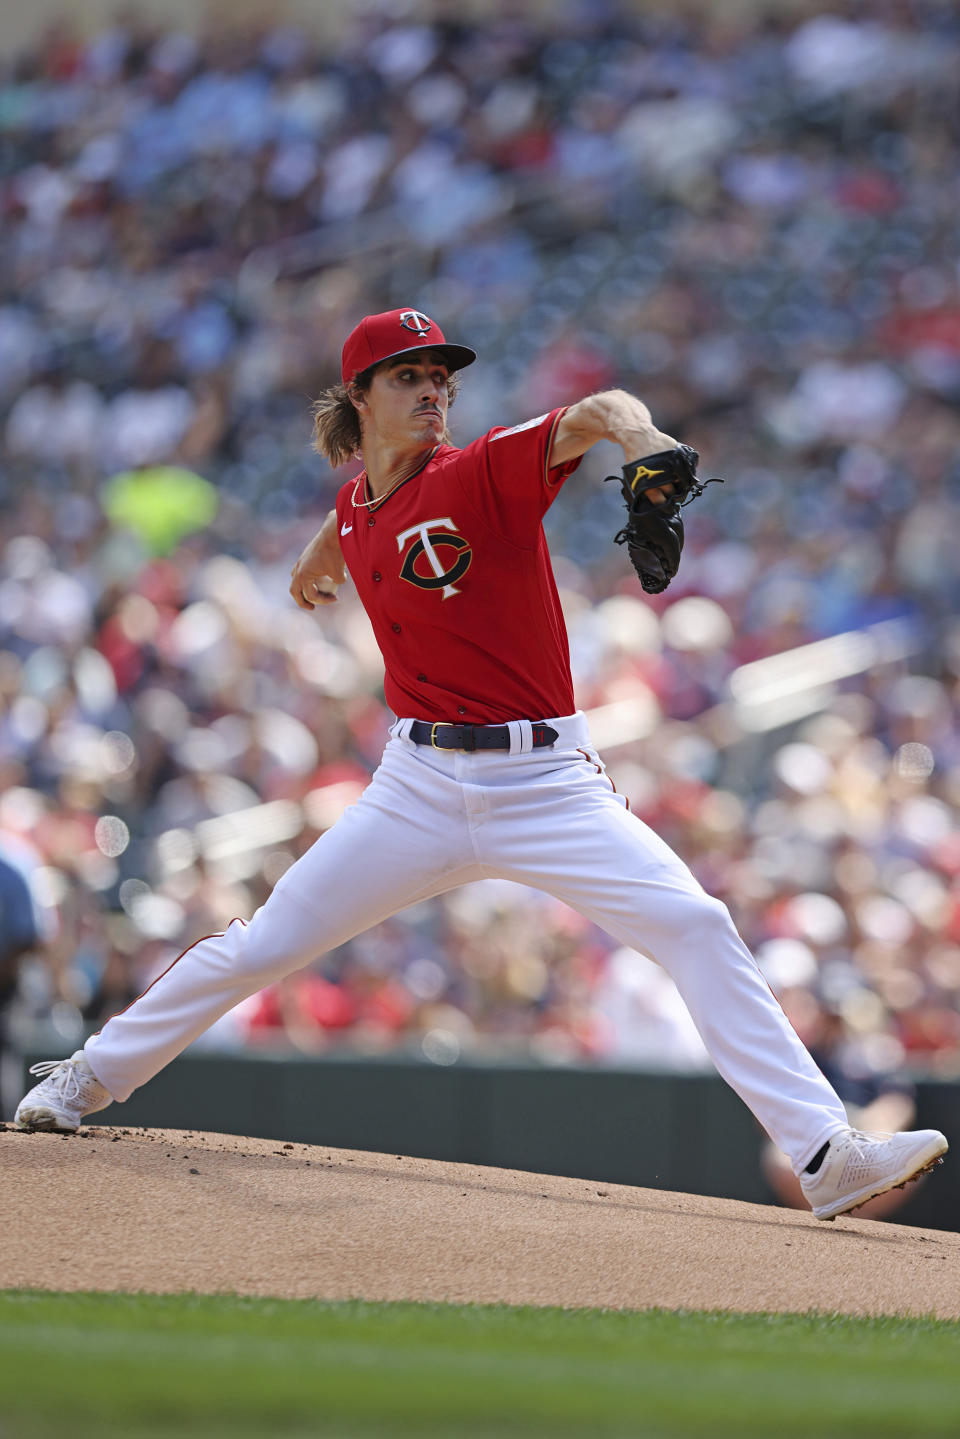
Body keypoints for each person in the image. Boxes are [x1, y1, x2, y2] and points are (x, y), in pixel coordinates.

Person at [16, 307, 947, 1221]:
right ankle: (87, 1075)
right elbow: (358, 517)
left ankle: (826, 1155)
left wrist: (645, 439)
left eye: (441, 380)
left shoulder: (481, 471)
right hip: (417, 783)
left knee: (696, 925)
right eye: (410, 378)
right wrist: (315, 560)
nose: (433, 393)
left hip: (544, 778)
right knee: (264, 941)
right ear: (360, 397)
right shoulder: (355, 504)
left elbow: (596, 411)